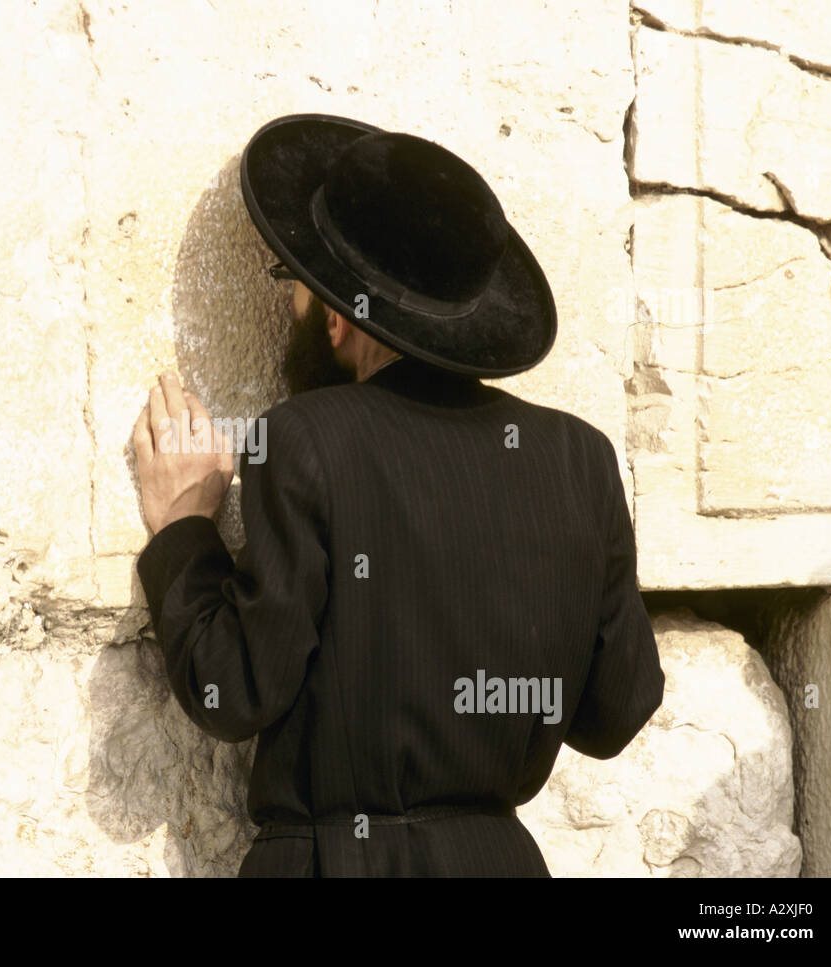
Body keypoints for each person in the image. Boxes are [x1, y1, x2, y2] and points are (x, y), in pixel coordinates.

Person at [130, 114, 665, 876]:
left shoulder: (308, 440)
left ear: (344, 320)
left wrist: (184, 529)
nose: (292, 309)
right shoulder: (579, 459)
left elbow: (236, 689)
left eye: (296, 286)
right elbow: (616, 709)